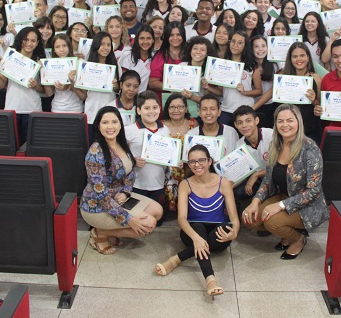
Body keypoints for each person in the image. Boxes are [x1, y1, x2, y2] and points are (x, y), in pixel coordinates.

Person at [154, 144, 239, 299]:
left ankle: (176, 259)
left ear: (209, 161)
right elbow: (181, 218)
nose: (197, 165)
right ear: (188, 164)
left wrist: (234, 233)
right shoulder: (185, 184)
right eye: (192, 162)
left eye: (201, 160)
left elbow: (234, 219)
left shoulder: (223, 183)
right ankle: (210, 280)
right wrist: (196, 238)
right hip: (192, 232)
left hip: (218, 236)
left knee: (226, 227)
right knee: (198, 227)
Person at [242, 104, 327, 259]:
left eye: (290, 120)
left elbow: (313, 191)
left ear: (298, 122)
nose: (285, 125)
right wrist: (255, 201)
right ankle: (288, 232)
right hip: (283, 196)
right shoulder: (276, 145)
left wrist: (280, 206)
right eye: (280, 121)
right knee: (249, 218)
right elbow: (267, 181)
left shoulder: (310, 148)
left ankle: (298, 239)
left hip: (307, 205)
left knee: (271, 222)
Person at [81, 106, 162, 255]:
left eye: (114, 122)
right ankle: (100, 233)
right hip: (97, 206)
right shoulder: (95, 152)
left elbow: (130, 173)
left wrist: (125, 192)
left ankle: (109, 231)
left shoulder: (121, 143)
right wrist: (128, 219)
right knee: (148, 225)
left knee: (157, 211)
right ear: (98, 126)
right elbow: (101, 195)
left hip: (119, 197)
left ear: (120, 124)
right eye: (105, 122)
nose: (110, 127)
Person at [0, 27, 46, 145]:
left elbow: (45, 91)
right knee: (13, 146)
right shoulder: (11, 57)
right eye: (25, 40)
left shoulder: (39, 62)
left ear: (37, 43)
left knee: (31, 146)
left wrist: (36, 86)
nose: (29, 43)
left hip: (33, 109)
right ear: (20, 40)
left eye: (33, 40)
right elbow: (1, 85)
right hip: (13, 108)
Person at [125, 91, 170, 220]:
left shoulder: (165, 130)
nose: (151, 111)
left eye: (155, 107)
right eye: (146, 108)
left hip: (158, 184)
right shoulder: (129, 130)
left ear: (160, 109)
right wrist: (132, 161)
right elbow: (119, 156)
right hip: (137, 185)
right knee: (136, 218)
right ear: (138, 110)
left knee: (157, 220)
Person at [70, 32, 119, 140]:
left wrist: (116, 87)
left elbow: (118, 91)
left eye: (108, 44)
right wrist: (73, 83)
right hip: (91, 115)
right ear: (96, 45)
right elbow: (83, 97)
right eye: (102, 44)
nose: (106, 48)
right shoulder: (86, 66)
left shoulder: (115, 66)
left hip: (109, 115)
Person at [232, 105, 273, 201]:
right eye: (240, 122)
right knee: (238, 192)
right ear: (236, 125)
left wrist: (257, 174)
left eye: (248, 120)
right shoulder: (239, 145)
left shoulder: (271, 135)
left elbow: (280, 166)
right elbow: (241, 173)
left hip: (274, 175)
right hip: (256, 178)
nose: (244, 126)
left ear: (256, 120)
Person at [42, 34, 83, 113]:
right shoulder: (50, 65)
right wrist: (43, 74)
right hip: (57, 108)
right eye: (57, 47)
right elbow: (49, 94)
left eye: (64, 45)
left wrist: (70, 85)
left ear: (69, 46)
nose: (61, 49)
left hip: (76, 108)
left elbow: (83, 96)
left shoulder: (79, 64)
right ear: (53, 50)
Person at [148, 22, 186, 99]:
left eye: (178, 35)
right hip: (165, 99)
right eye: (171, 35)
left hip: (187, 99)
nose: (175, 38)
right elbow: (152, 83)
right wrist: (174, 87)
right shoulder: (160, 56)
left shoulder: (190, 54)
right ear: (166, 37)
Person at [119, 25, 154, 92]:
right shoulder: (128, 56)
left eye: (149, 38)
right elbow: (122, 80)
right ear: (137, 39)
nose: (145, 42)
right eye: (142, 38)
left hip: (142, 99)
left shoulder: (153, 58)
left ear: (153, 40)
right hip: (127, 97)